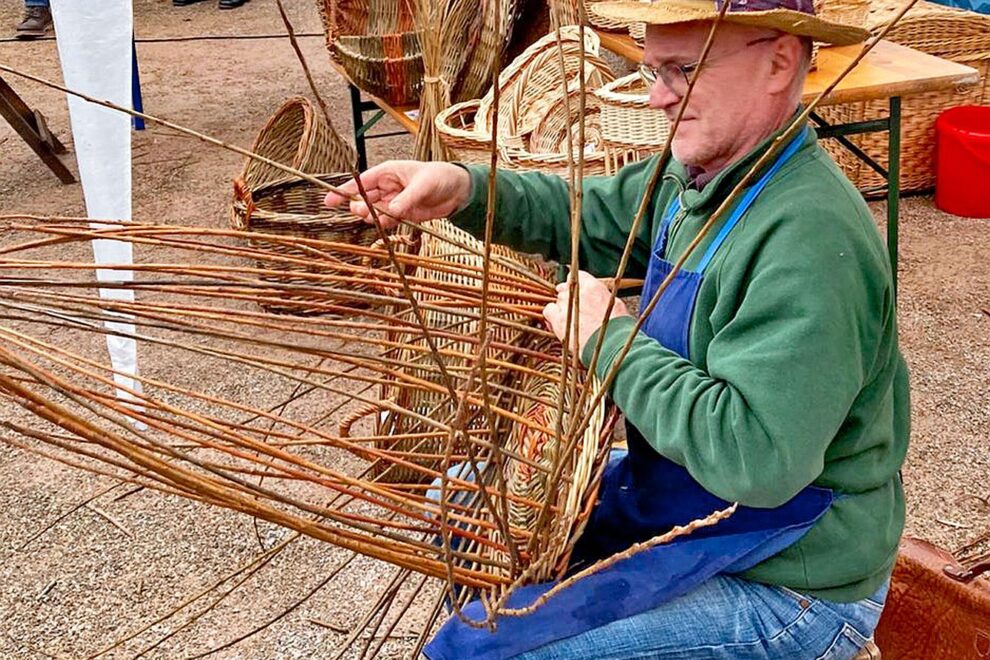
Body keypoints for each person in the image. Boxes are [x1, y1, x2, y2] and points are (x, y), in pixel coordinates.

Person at [326, 0, 910, 656]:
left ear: (778, 62)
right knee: (457, 504)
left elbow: (758, 458)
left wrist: (608, 338)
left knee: (491, 652)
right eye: (652, 69)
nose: (657, 97)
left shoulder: (807, 236)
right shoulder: (705, 177)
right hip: (696, 499)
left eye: (681, 70)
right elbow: (589, 213)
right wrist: (461, 188)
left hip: (789, 578)